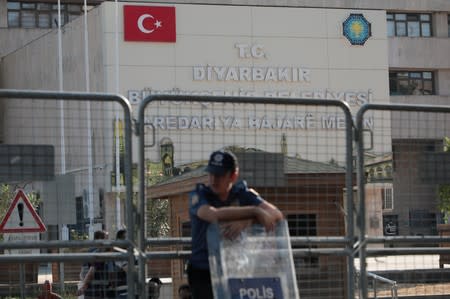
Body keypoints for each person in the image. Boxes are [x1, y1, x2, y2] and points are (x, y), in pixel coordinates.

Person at [187, 150, 283, 299]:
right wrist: (254, 211)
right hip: (204, 271)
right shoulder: (199, 195)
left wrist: (247, 221)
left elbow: (276, 214)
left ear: (233, 176)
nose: (213, 180)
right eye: (211, 174)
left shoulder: (242, 193)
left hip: (236, 270)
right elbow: (212, 214)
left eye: (219, 175)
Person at [77, 230, 111, 299]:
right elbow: (89, 271)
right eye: (106, 238)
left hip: (92, 288)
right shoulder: (97, 251)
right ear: (99, 239)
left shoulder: (91, 250)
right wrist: (85, 285)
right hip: (95, 288)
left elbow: (83, 271)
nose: (108, 241)